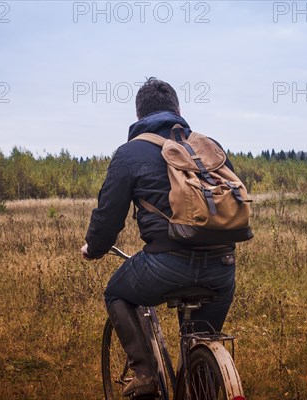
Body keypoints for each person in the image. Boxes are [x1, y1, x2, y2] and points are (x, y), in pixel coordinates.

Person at [81, 77, 238, 398]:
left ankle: (145, 374)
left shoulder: (129, 153)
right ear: (178, 110)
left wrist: (93, 249)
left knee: (116, 293)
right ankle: (203, 375)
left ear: (139, 116)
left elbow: (108, 216)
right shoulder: (209, 146)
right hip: (222, 267)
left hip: (165, 265)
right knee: (200, 342)